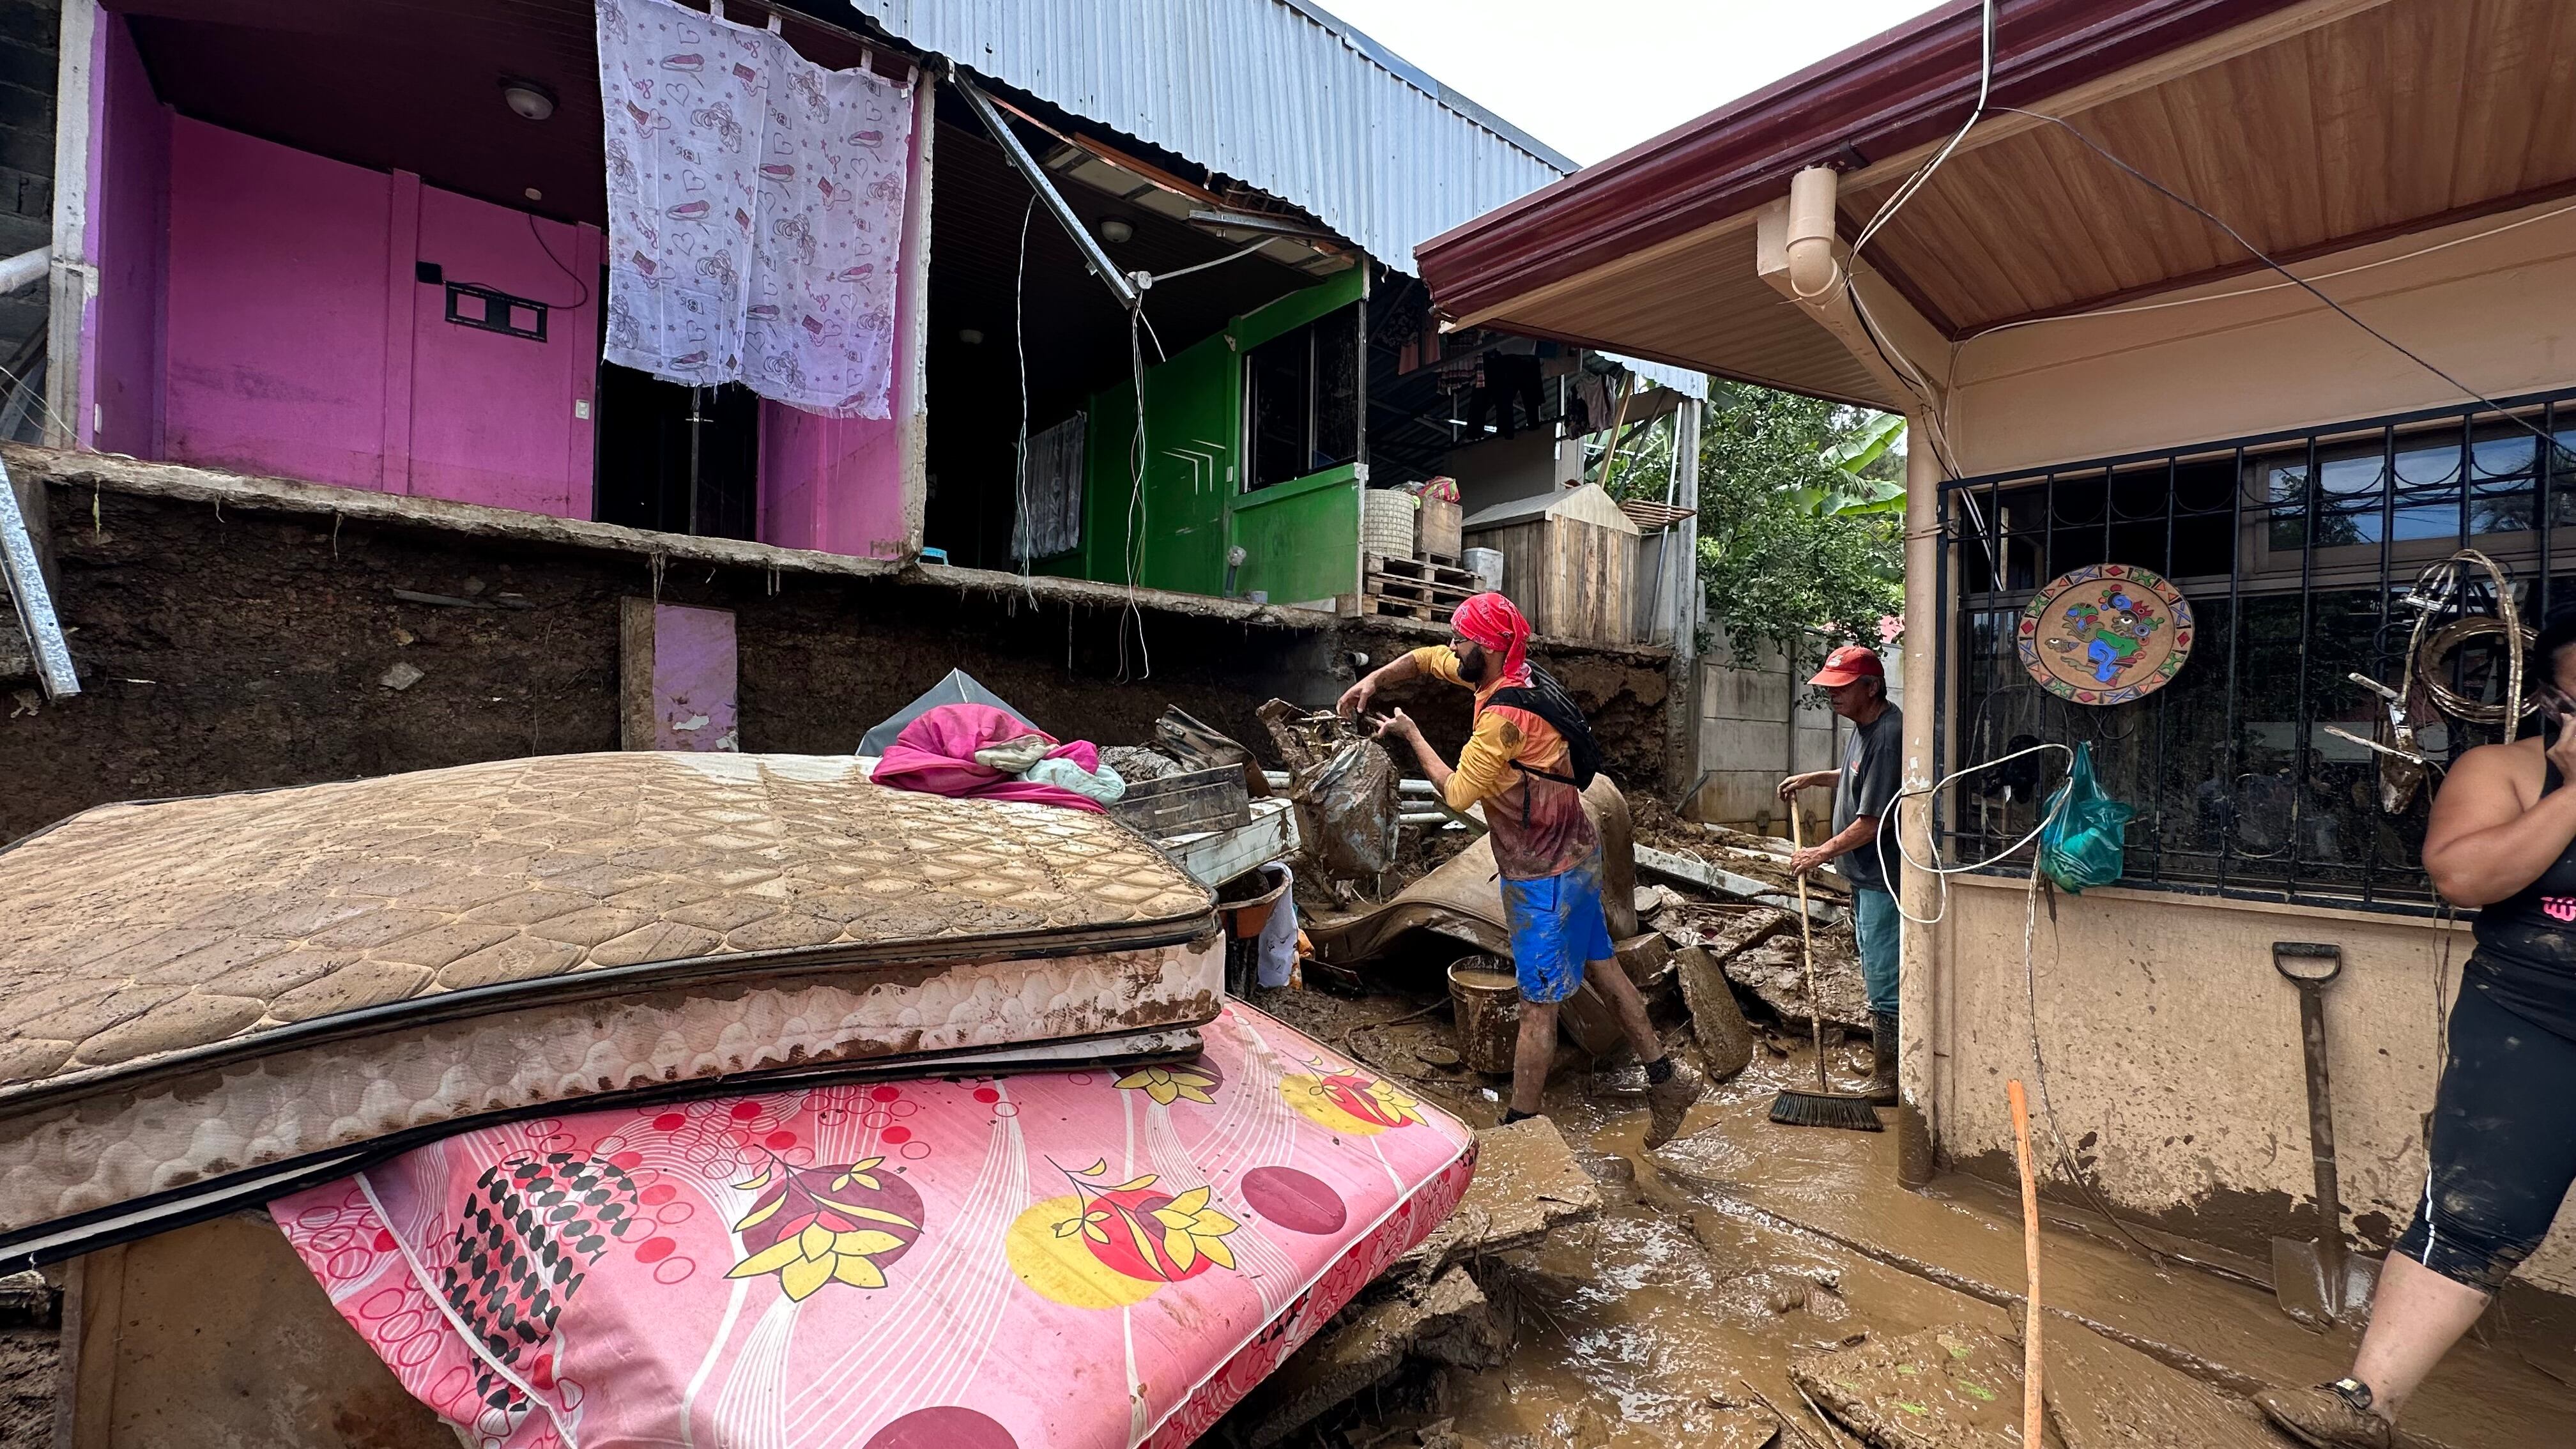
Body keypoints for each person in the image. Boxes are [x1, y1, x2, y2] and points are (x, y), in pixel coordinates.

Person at [2256, 613, 2576, 1448]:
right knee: (2472, 1213)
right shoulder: (2505, 770)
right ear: (2553, 701)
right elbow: (2464, 875)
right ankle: (2365, 1403)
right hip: (2529, 1022)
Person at [1337, 592, 1701, 1147]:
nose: (1452, 647)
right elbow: (1427, 660)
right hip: (1578, 855)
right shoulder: (1515, 675)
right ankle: (1666, 1080)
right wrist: (1375, 680)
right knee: (1604, 969)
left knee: (1537, 1006)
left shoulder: (1503, 721)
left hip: (1544, 879)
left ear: (1486, 647)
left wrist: (1412, 736)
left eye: (1460, 639)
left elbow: (1458, 794)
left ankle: (1520, 1131)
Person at [1775, 644, 1905, 1105]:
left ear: (1871, 688)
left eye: (1841, 688)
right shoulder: (1866, 726)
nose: (1831, 696)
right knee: (1874, 968)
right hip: (1864, 877)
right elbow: (1857, 775)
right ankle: (1887, 1062)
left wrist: (1819, 853)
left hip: (1883, 878)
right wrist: (1815, 778)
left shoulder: (1888, 737)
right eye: (1829, 688)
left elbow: (1872, 823)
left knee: (1884, 978)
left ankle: (1890, 1077)